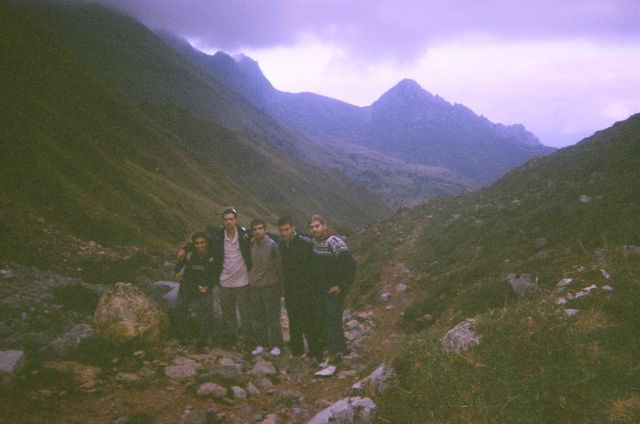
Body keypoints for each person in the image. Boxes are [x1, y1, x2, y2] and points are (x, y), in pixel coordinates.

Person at [308, 214, 357, 377]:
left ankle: (333, 360)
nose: (315, 229)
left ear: (324, 226)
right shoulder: (315, 242)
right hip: (322, 290)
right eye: (312, 227)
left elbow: (350, 264)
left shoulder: (334, 242)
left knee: (331, 322)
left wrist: (342, 285)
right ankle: (340, 351)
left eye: (317, 226)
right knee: (329, 321)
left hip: (334, 290)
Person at [277, 216, 322, 361]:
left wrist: (312, 288)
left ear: (293, 228)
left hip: (306, 290)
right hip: (291, 290)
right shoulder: (282, 245)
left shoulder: (305, 244)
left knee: (310, 322)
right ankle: (297, 352)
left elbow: (314, 268)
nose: (284, 233)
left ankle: (316, 353)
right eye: (281, 230)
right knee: (294, 322)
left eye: (287, 229)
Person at [247, 218, 283, 357]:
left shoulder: (273, 246)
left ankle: (277, 345)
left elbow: (279, 268)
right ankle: (262, 343)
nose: (257, 231)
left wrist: (281, 288)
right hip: (255, 285)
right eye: (255, 229)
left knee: (273, 317)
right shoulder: (251, 244)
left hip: (270, 286)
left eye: (260, 228)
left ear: (265, 229)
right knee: (257, 317)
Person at [174, 232, 216, 348]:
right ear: (193, 244)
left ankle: (204, 339)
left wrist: (209, 286)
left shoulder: (213, 254)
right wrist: (177, 272)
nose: (199, 245)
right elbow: (178, 265)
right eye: (196, 243)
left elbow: (216, 274)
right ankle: (185, 336)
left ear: (206, 243)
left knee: (207, 309)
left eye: (202, 243)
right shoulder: (189, 253)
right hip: (187, 286)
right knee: (179, 307)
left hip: (204, 287)